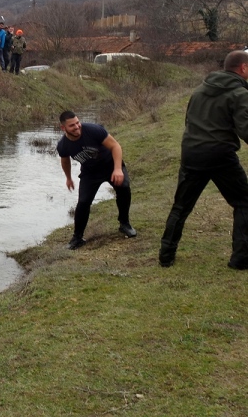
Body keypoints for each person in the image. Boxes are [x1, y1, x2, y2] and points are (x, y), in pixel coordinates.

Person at [159, 51, 248, 268]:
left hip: (191, 153)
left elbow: (189, 120)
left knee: (180, 206)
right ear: (243, 68)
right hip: (220, 155)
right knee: (244, 202)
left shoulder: (200, 89)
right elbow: (245, 129)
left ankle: (165, 257)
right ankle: (241, 260)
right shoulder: (240, 93)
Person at [57, 111, 137, 250]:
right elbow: (65, 161)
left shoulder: (93, 130)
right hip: (90, 173)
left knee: (124, 188)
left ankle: (124, 224)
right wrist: (68, 178)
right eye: (72, 126)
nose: (77, 127)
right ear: (63, 128)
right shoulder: (63, 145)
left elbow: (115, 146)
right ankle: (77, 237)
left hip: (110, 166)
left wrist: (118, 169)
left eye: (77, 122)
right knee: (83, 202)